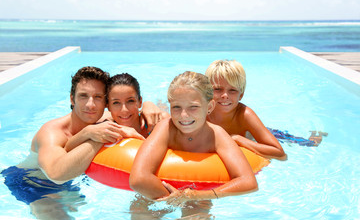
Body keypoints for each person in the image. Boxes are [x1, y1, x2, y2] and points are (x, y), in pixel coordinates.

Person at [1, 66, 165, 219]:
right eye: (83, 96)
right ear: (72, 99)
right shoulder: (52, 132)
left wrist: (150, 106)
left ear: (106, 103)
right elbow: (57, 175)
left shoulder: (105, 120)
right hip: (33, 182)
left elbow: (132, 110)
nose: (90, 105)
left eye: (98, 97)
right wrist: (95, 136)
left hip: (71, 180)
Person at [130, 71, 258, 207]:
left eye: (193, 107)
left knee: (198, 210)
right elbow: (138, 179)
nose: (184, 115)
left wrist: (196, 196)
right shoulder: (166, 128)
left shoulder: (216, 135)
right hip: (161, 189)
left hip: (200, 193)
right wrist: (175, 199)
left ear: (209, 107)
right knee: (139, 210)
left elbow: (248, 182)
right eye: (176, 107)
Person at [205, 60, 287, 160]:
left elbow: (281, 154)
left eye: (233, 90)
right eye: (217, 89)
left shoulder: (245, 115)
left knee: (296, 141)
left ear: (241, 95)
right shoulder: (200, 113)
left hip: (262, 133)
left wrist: (237, 139)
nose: (225, 95)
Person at [106, 73, 170, 138]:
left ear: (140, 102)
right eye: (116, 103)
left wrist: (148, 103)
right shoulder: (105, 129)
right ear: (108, 106)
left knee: (163, 106)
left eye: (130, 101)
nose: (124, 110)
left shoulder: (160, 121)